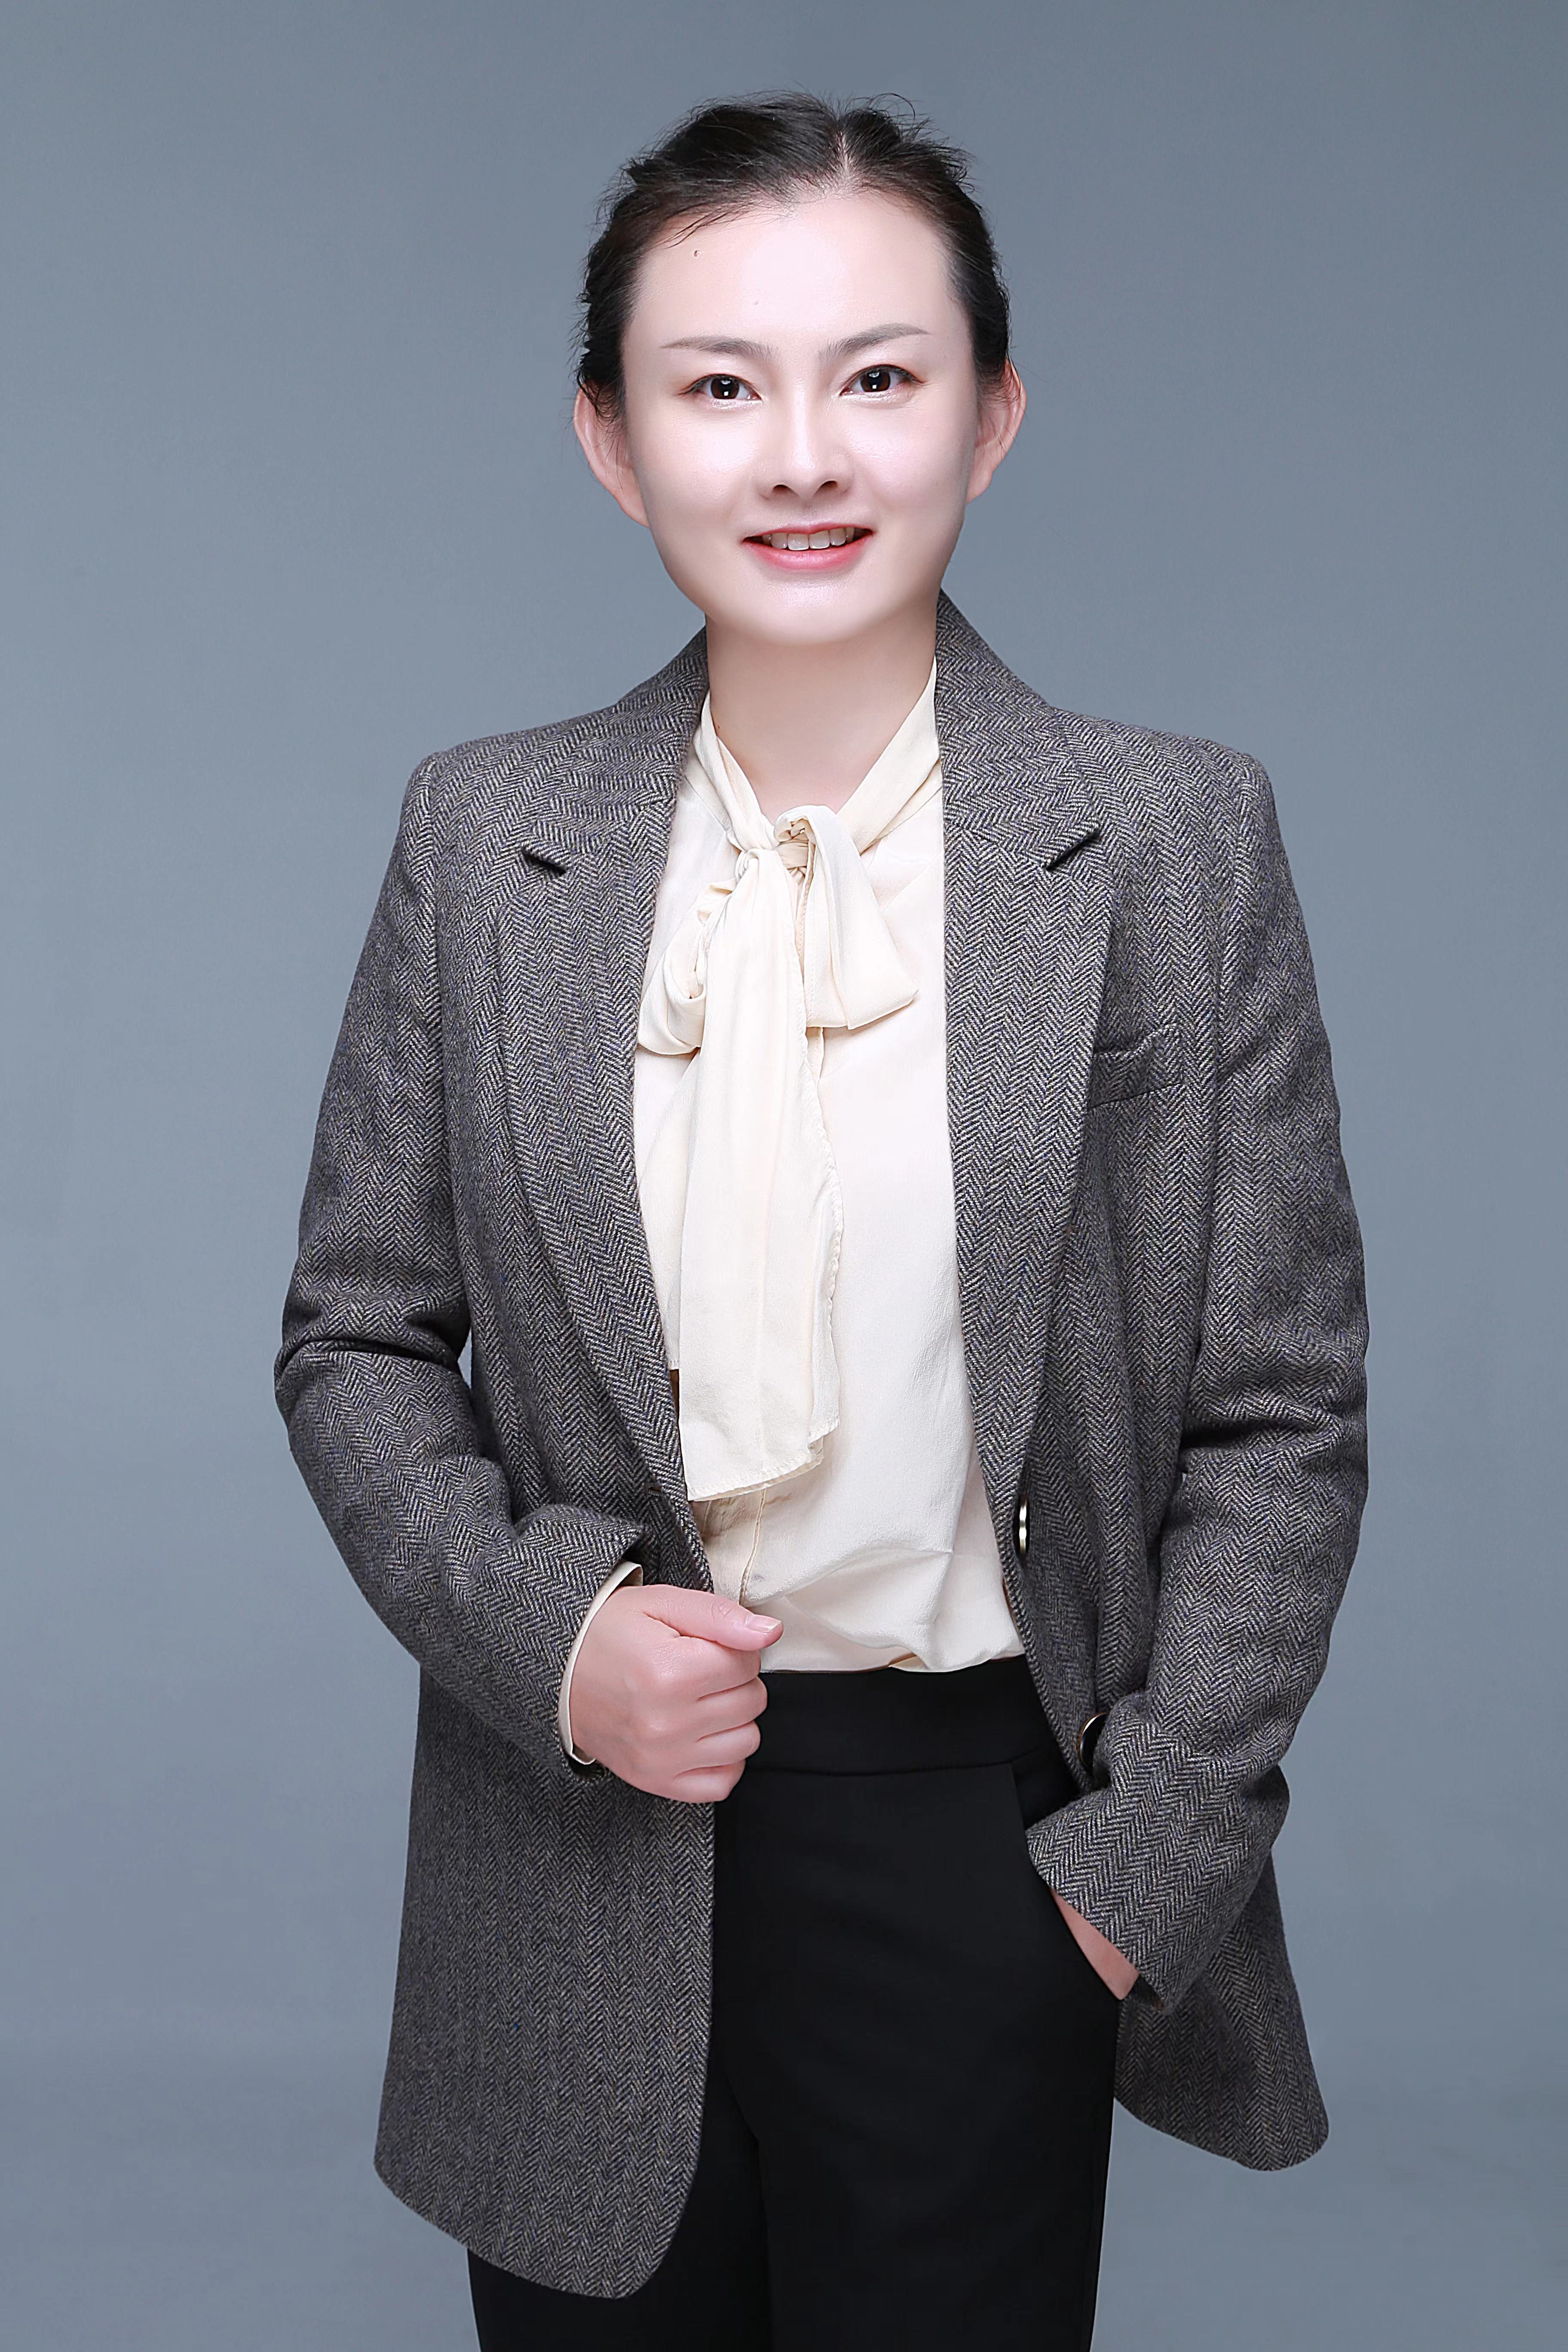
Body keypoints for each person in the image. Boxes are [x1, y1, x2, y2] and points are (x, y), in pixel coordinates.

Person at [275, 92, 1369, 2352]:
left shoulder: (1174, 844)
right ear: (611, 437)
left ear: (993, 413)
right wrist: (549, 1640)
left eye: (878, 375)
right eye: (718, 384)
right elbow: (357, 1336)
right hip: (575, 1837)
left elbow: (1278, 1406)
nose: (803, 457)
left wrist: (1138, 1864)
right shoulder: (483, 842)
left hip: (984, 1835)